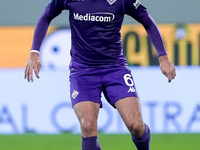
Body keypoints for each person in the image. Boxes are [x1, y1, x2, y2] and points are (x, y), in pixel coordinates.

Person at [24, 0, 176, 149]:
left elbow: (147, 20)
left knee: (136, 126)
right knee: (88, 126)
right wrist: (35, 51)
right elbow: (46, 16)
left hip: (115, 69)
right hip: (83, 72)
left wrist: (163, 57)